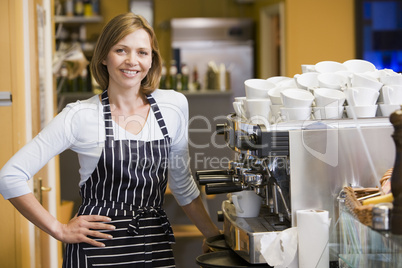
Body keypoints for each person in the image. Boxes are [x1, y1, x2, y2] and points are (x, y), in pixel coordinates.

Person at [0, 13, 220, 267]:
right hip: (97, 250)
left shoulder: (173, 105)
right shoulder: (80, 115)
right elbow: (10, 176)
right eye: (121, 50)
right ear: (104, 56)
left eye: (142, 52)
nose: (132, 61)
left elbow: (182, 184)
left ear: (152, 60)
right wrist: (59, 230)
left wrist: (213, 236)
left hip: (155, 246)